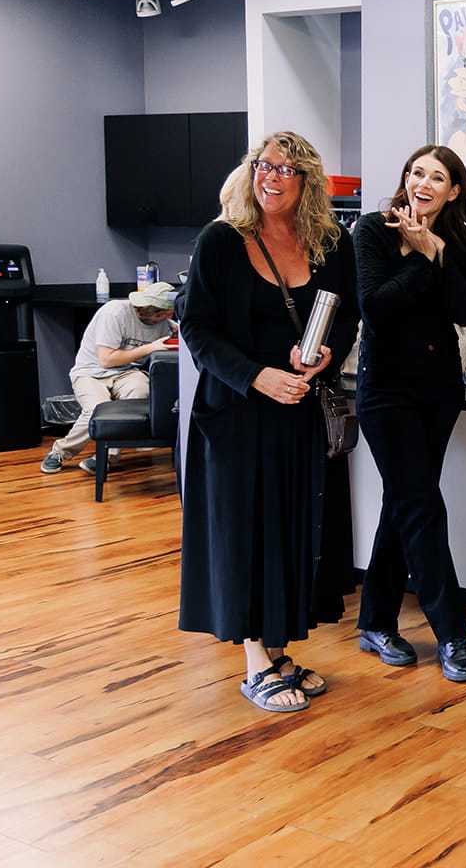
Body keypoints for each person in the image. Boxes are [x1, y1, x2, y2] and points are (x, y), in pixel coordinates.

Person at [178, 131, 359, 714]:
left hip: (301, 412)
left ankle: (280, 651)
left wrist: (328, 352)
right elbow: (198, 332)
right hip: (238, 415)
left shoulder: (331, 243)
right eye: (263, 165)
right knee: (249, 533)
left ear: (307, 182)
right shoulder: (221, 242)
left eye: (286, 169)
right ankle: (255, 659)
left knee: (294, 530)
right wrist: (258, 377)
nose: (271, 177)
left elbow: (347, 317)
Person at [353, 144, 466, 683]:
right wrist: (417, 257)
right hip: (385, 391)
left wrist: (438, 251)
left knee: (406, 504)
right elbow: (375, 306)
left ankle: (376, 620)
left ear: (453, 190)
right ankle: (452, 633)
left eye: (437, 177)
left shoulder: (456, 239)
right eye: (416, 172)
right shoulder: (372, 230)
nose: (423, 183)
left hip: (438, 392)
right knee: (422, 506)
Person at [40, 281, 177, 475]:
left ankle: (106, 458)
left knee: (142, 390)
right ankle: (60, 452)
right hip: (91, 372)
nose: (165, 317)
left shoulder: (165, 323)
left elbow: (179, 332)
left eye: (168, 313)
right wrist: (151, 347)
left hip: (126, 372)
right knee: (97, 409)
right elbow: (106, 360)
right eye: (161, 314)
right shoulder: (114, 313)